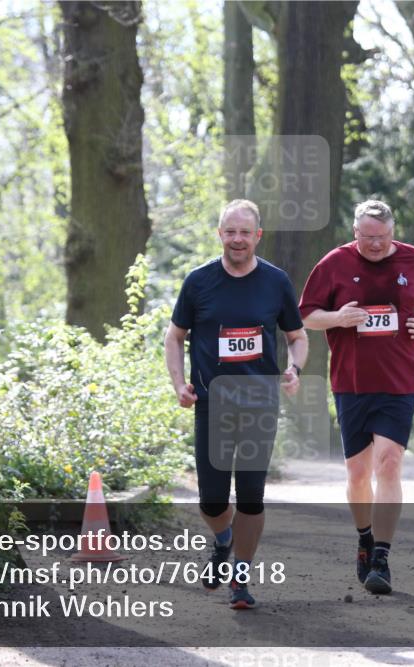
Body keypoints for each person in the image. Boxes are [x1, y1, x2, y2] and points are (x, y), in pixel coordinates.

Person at [165, 199, 308, 609]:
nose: (238, 239)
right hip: (212, 404)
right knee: (211, 500)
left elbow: (297, 336)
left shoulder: (276, 282)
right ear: (220, 234)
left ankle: (240, 579)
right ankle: (223, 538)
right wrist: (179, 384)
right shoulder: (198, 282)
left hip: (260, 404)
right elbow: (174, 337)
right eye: (231, 231)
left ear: (258, 236)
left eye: (245, 232)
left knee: (250, 496)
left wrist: (295, 369)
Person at [298, 200, 414, 595]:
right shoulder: (334, 263)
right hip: (352, 382)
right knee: (358, 475)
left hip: (400, 378)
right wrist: (339, 317)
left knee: (389, 463)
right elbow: (305, 315)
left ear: (393, 232)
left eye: (382, 237)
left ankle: (381, 557)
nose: (375, 245)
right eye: (367, 238)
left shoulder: (413, 259)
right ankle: (364, 538)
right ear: (354, 232)